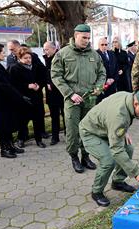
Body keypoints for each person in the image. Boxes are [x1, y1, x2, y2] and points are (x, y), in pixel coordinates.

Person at [79, 90, 139, 206]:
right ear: (136, 104)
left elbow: (110, 113)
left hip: (105, 129)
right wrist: (136, 172)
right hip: (90, 132)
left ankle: (118, 181)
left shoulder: (128, 97)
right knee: (108, 160)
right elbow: (117, 150)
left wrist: (122, 131)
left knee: (129, 148)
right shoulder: (120, 116)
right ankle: (97, 191)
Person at [51, 24, 106, 173]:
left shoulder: (94, 55)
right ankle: (74, 157)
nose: (87, 41)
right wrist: (70, 93)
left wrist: (98, 87)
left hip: (90, 100)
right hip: (72, 100)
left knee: (89, 129)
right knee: (73, 130)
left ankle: (86, 156)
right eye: (84, 37)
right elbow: (56, 75)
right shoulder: (63, 54)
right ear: (75, 36)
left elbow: (102, 73)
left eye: (88, 38)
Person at [0, 41, 29, 158]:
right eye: (3, 52)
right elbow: (4, 85)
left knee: (7, 123)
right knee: (2, 125)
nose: (5, 54)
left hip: (4, 99)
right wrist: (20, 97)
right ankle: (4, 149)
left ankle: (11, 146)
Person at [7, 40, 49, 138]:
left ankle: (39, 135)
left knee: (38, 116)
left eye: (30, 57)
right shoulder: (14, 68)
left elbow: (43, 76)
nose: (29, 60)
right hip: (23, 97)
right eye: (26, 58)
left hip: (36, 95)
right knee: (23, 118)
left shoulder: (35, 65)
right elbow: (12, 84)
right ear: (19, 58)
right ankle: (22, 137)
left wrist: (39, 85)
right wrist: (27, 86)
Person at [43, 41, 64, 145]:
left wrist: (51, 82)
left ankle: (69, 135)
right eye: (44, 49)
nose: (45, 51)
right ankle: (55, 137)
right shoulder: (46, 58)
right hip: (51, 94)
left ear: (54, 49)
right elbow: (46, 73)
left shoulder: (60, 58)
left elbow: (60, 74)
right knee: (54, 116)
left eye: (47, 49)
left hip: (61, 92)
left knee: (66, 115)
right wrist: (47, 83)